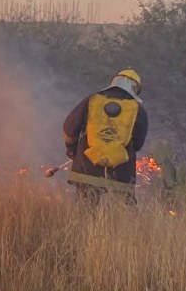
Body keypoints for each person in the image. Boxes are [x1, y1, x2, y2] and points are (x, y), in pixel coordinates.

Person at [62, 68, 148, 204]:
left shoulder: (92, 100)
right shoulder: (138, 110)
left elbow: (70, 127)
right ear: (136, 88)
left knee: (86, 209)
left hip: (87, 168)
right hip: (121, 174)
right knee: (120, 212)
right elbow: (138, 143)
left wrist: (71, 150)